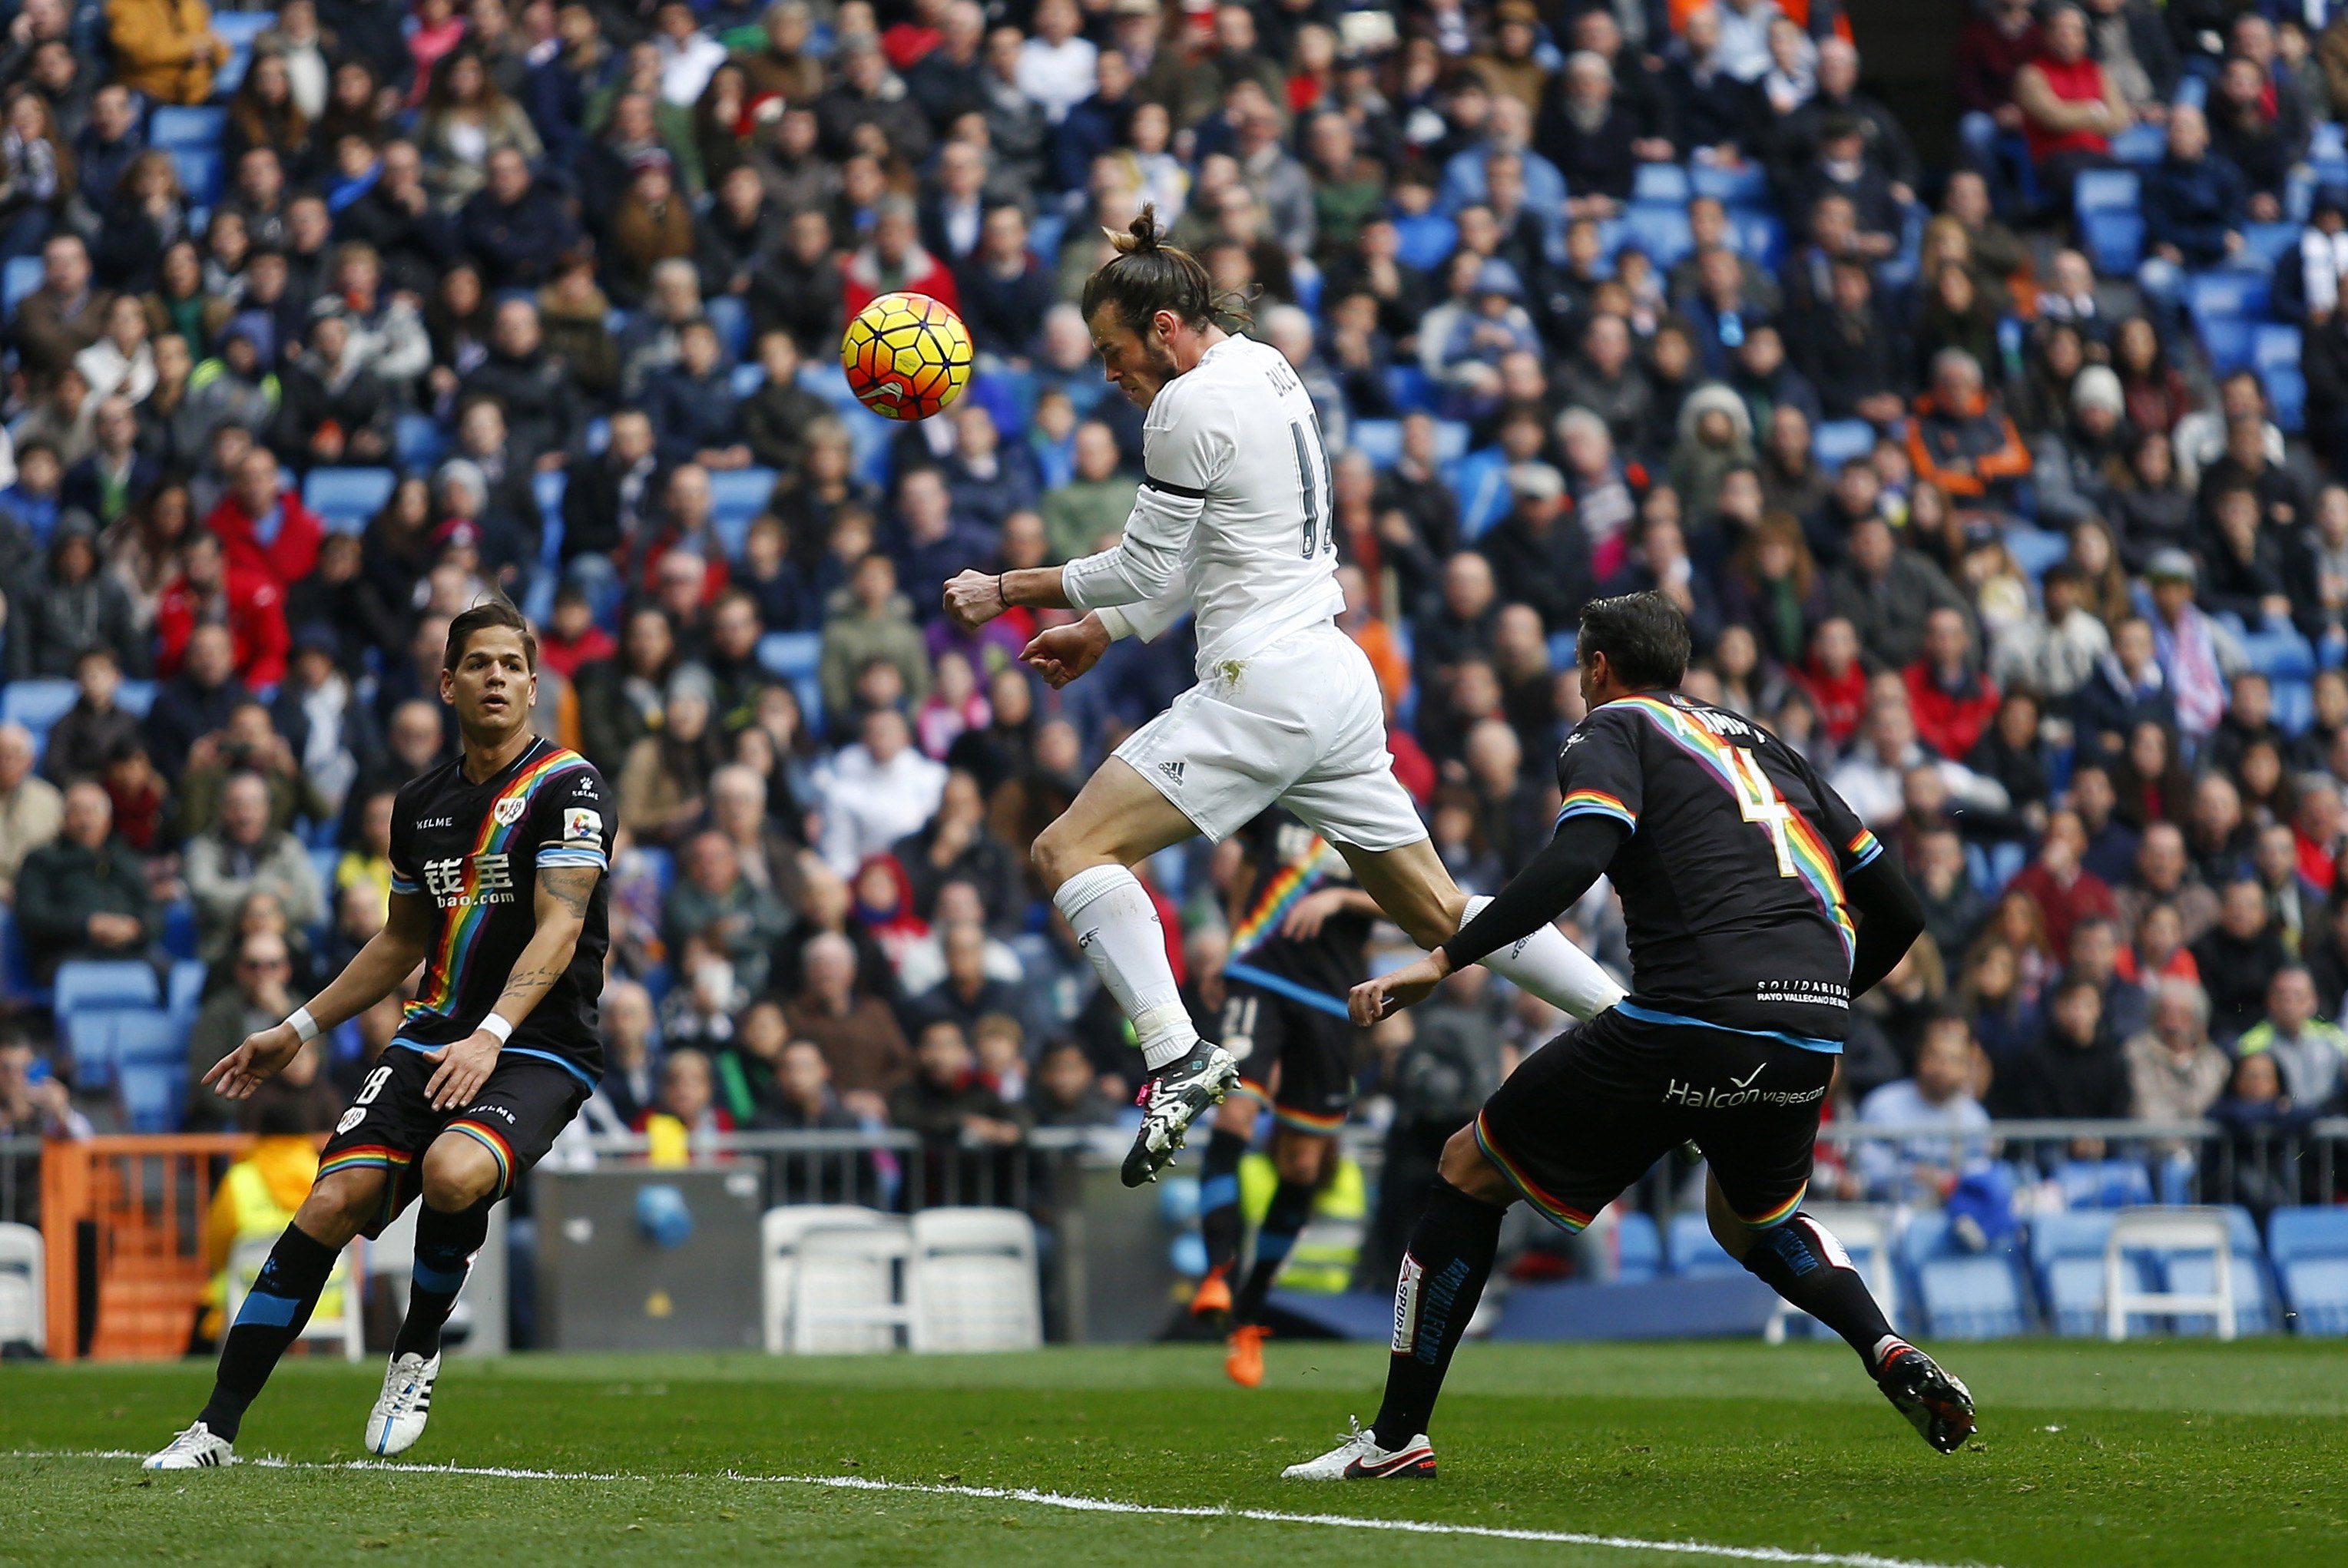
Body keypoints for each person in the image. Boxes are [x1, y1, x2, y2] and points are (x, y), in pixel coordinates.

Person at [943, 210, 1624, 1189]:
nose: (1108, 371)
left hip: (1261, 686)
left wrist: (1007, 586)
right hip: (1332, 675)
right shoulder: (1265, 367)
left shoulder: (1182, 408)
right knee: (1440, 910)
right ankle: (1635, 1024)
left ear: (1164, 328)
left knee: (1068, 849)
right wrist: (1106, 628)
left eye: (1112, 348)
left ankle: (1177, 1053)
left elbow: (1142, 562)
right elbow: (1209, 546)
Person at [1292, 591, 1969, 1481]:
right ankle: (1884, 1344)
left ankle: (1394, 1439)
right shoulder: (1769, 745)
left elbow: (1579, 858)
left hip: (1693, 1016)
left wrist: (1444, 958)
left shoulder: (1613, 728)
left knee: (1467, 1167)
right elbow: (1904, 909)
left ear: (1599, 666)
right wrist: (1815, 1002)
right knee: (1752, 1219)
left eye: (1581, 664)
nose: (1579, 681)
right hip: (1811, 1029)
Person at [144, 600, 614, 1470]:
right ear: (447, 683)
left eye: (512, 664)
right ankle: (212, 1429)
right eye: (478, 663)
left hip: (539, 1044)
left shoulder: (569, 787)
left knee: (453, 1171)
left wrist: (493, 1033)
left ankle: (416, 1348)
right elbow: (401, 941)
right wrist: (296, 1026)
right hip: (432, 1031)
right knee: (330, 1203)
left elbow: (562, 925)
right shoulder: (420, 805)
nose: (497, 677)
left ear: (533, 685)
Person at [1187, 806, 1379, 1387]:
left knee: (1302, 1165)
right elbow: (1246, 864)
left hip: (1331, 995)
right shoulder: (1285, 797)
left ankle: (1248, 1316)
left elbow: (1418, 903)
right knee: (1233, 1114)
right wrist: (1236, 941)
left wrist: (1341, 899)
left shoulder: (1380, 815)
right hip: (1262, 976)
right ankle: (1218, 1274)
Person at [1853, 1013, 1992, 1204]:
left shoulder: (1975, 1118)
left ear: (1966, 1067)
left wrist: (1949, 1183)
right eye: (1935, 1056)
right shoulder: (1882, 1104)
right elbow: (1866, 1170)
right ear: (1920, 1056)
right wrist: (1914, 1174)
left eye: (1953, 1060)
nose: (1942, 1068)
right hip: (1885, 1211)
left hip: (1952, 1214)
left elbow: (1980, 1176)